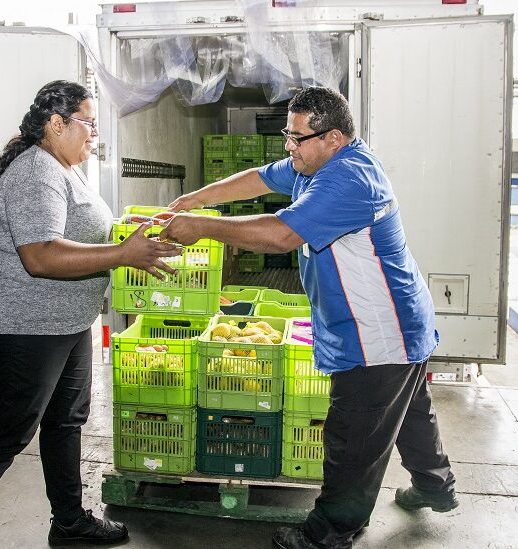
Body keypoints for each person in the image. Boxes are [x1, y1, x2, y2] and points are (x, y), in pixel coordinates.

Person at [161, 87, 457, 549]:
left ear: (333, 137)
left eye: (297, 137)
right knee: (410, 409)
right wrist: (195, 199)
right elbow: (258, 178)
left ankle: (329, 533)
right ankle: (436, 487)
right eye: (287, 134)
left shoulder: (350, 179)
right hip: (400, 321)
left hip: (380, 332)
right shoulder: (313, 162)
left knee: (355, 437)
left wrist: (201, 227)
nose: (288, 146)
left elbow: (281, 235)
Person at [0, 80, 181, 549]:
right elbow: (41, 255)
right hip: (26, 329)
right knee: (7, 433)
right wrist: (122, 253)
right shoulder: (35, 173)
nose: (94, 135)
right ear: (56, 123)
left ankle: (69, 521)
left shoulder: (64, 169)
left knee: (66, 421)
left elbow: (80, 233)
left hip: (67, 324)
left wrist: (127, 232)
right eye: (88, 123)